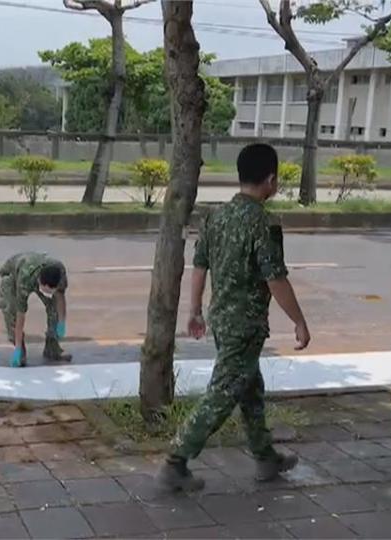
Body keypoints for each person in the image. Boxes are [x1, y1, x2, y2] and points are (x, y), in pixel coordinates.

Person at [157, 143, 310, 492]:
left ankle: (265, 456)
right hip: (246, 325)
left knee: (251, 389)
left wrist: (195, 311)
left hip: (222, 321)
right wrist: (299, 320)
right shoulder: (262, 223)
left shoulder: (216, 216)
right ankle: (175, 460)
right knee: (224, 392)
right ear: (271, 180)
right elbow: (275, 278)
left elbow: (199, 267)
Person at [0, 252, 71, 367]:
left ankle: (52, 349)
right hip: (13, 275)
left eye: (51, 291)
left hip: (38, 272)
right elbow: (20, 316)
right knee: (11, 310)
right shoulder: (25, 280)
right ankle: (20, 352)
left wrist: (61, 322)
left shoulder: (59, 272)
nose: (48, 294)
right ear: (40, 283)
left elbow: (60, 298)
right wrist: (17, 349)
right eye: (46, 290)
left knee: (54, 306)